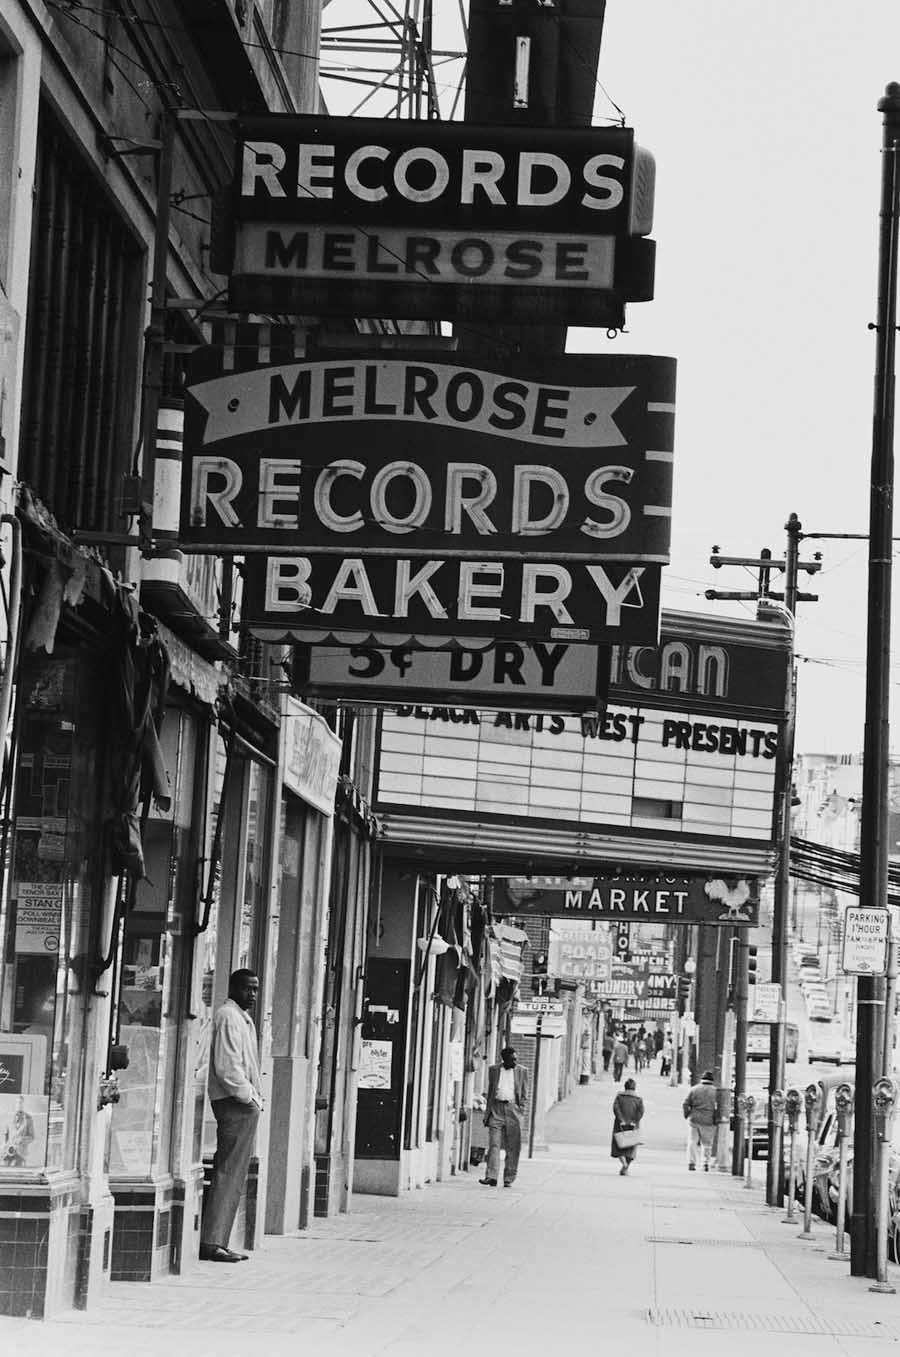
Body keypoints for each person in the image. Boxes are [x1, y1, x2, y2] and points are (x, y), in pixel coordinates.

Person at [200, 969, 263, 1262]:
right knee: (228, 1172)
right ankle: (213, 1242)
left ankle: (219, 1239)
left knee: (234, 1173)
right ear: (234, 988)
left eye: (255, 989)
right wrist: (247, 1096)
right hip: (233, 1101)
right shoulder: (228, 1016)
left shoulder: (239, 1018)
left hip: (240, 1102)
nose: (252, 994)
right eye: (247, 988)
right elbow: (227, 1066)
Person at [481, 1046, 528, 1187]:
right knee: (494, 1144)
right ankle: (491, 1176)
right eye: (512, 1059)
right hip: (496, 1109)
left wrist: (521, 1109)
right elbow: (491, 1090)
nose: (515, 1062)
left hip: (513, 1109)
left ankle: (508, 1178)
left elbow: (524, 1092)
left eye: (516, 1059)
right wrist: (488, 1111)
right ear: (504, 1059)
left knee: (513, 1146)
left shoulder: (522, 1071)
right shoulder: (493, 1070)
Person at [683, 1069, 718, 1171]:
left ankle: (691, 1163)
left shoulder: (694, 1089)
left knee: (692, 1141)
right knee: (707, 1144)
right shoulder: (715, 1091)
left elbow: (685, 1103)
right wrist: (716, 1118)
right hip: (709, 1120)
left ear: (701, 1079)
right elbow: (719, 1107)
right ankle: (705, 1163)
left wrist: (687, 1115)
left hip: (694, 1119)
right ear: (712, 1080)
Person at [611, 1077, 644, 1176]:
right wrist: (634, 1121)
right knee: (631, 1148)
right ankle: (626, 1166)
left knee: (619, 1146)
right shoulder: (638, 1099)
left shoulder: (619, 1097)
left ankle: (624, 1165)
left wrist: (621, 1120)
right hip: (633, 1126)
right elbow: (641, 1112)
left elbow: (616, 1108)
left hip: (620, 1125)